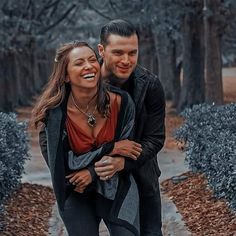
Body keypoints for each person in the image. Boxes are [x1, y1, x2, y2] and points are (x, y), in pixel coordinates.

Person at [31, 41, 142, 236]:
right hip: (76, 190)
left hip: (117, 184)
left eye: (92, 60)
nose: (89, 66)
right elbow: (63, 167)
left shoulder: (122, 102)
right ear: (65, 75)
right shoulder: (54, 116)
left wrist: (91, 171)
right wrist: (111, 148)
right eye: (79, 62)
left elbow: (130, 151)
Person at [95, 19, 166, 236]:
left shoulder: (150, 85)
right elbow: (52, 134)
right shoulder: (81, 80)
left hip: (141, 175)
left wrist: (122, 163)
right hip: (89, 178)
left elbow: (155, 138)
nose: (126, 60)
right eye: (118, 52)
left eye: (132, 53)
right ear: (101, 50)